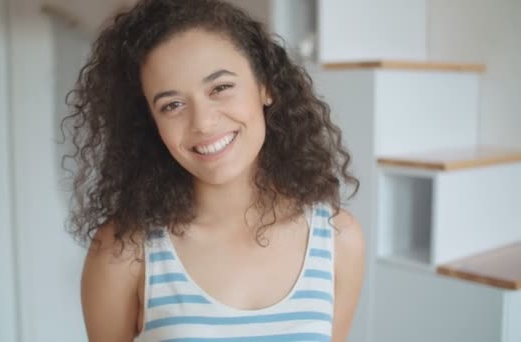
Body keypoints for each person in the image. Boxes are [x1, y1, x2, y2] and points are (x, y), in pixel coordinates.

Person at [62, 0, 365, 340]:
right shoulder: (124, 251)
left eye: (220, 88)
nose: (203, 123)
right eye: (172, 105)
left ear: (266, 86)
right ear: (150, 123)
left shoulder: (338, 239)